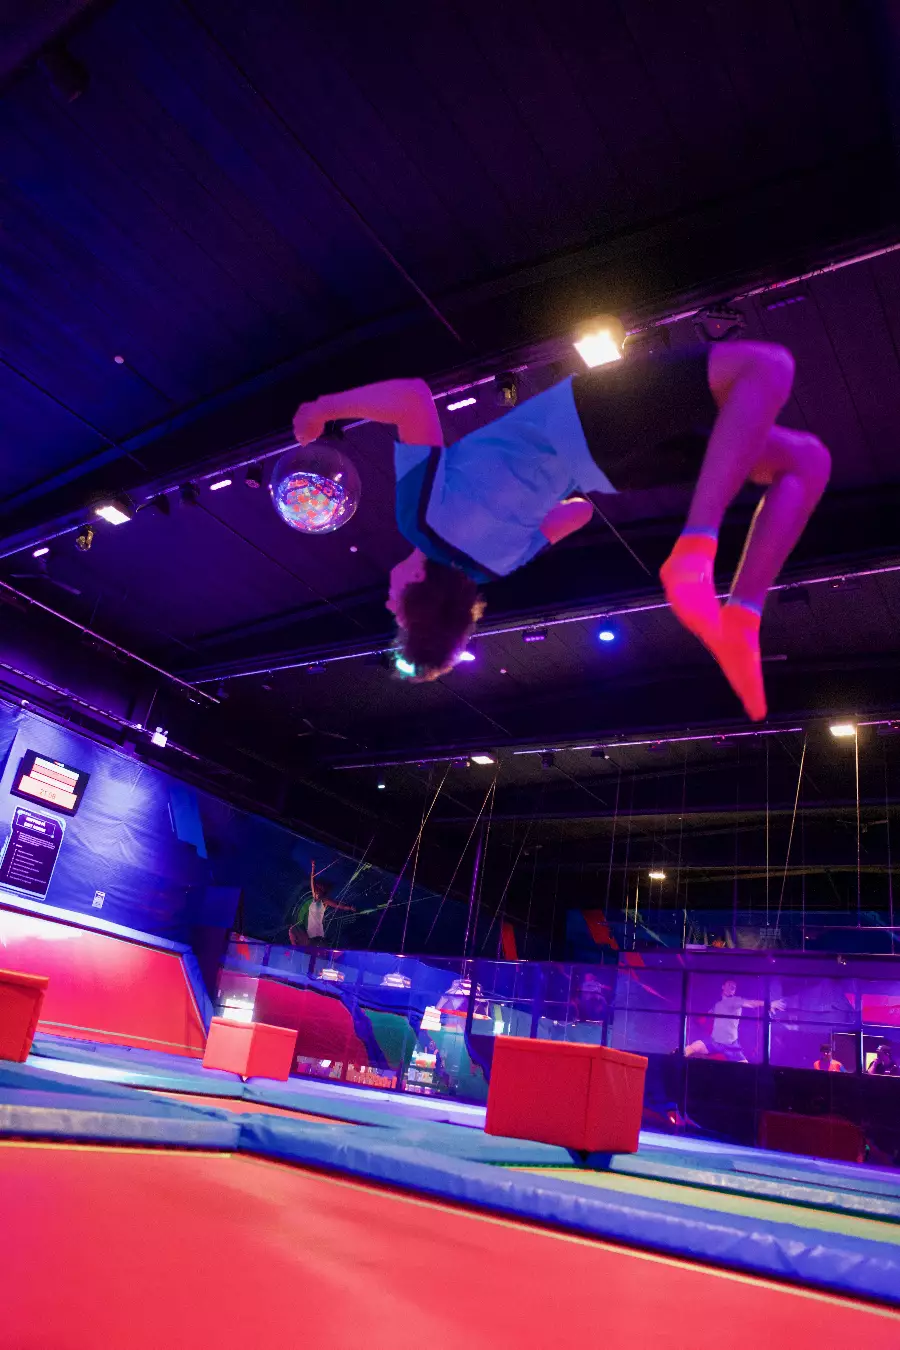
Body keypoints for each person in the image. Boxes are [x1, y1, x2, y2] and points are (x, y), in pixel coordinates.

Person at [293, 335, 830, 719]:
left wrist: (522, 497)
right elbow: (411, 396)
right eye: (395, 609)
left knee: (804, 461)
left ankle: (743, 617)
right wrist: (323, 408)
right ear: (415, 584)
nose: (388, 602)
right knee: (768, 367)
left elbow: (578, 514)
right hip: (590, 415)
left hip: (612, 471)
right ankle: (698, 550)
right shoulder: (417, 519)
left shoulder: (494, 565)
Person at [684, 979, 784, 1063]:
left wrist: (768, 1004)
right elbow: (709, 1013)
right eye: (729, 985)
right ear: (723, 986)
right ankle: (677, 1061)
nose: (732, 987)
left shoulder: (735, 1000)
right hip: (714, 1042)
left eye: (734, 987)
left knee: (746, 1069)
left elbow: (751, 1003)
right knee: (692, 1048)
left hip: (731, 1046)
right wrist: (698, 1019)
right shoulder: (717, 1004)